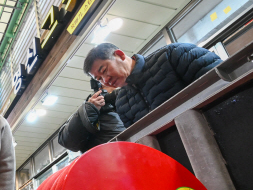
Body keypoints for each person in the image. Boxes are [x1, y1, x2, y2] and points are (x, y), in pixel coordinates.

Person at [84, 42, 222, 127]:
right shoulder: (122, 103)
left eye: (104, 70)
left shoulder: (173, 55)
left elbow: (222, 81)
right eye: (99, 79)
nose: (105, 81)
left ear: (120, 55)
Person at [57, 79, 125, 152]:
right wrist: (90, 108)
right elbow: (67, 141)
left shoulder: (128, 105)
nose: (117, 87)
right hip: (109, 159)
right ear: (100, 89)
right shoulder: (89, 110)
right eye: (111, 83)